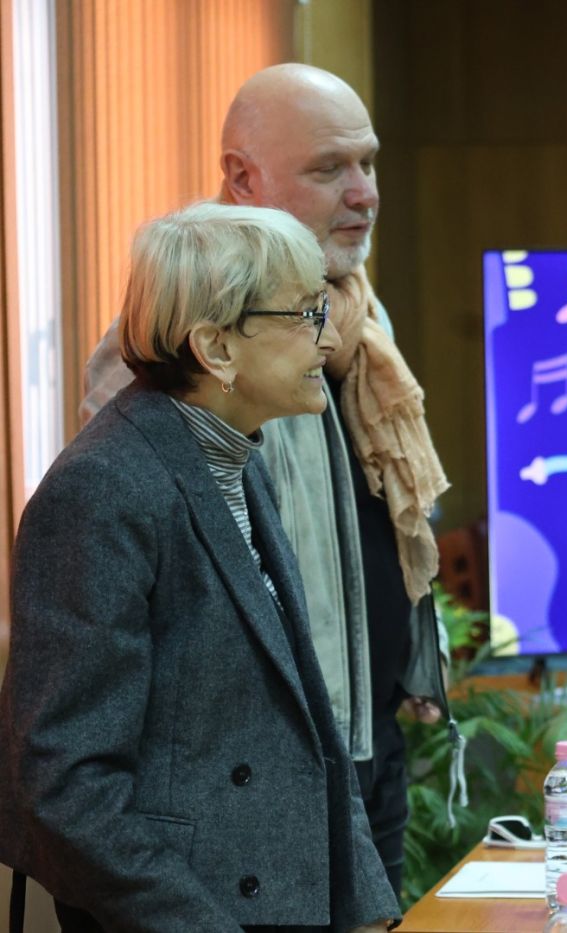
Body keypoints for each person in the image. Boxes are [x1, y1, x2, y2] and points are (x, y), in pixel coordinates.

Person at [81, 64, 456, 895]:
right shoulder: (177, 342)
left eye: (369, 162)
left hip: (366, 752)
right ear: (243, 179)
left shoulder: (358, 316)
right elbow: (143, 553)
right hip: (258, 783)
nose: (364, 193)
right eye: (329, 168)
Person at [0, 201, 401, 932]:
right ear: (216, 347)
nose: (329, 335)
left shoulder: (239, 459)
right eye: (305, 313)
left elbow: (309, 722)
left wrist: (369, 909)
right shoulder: (100, 491)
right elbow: (66, 786)